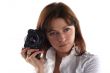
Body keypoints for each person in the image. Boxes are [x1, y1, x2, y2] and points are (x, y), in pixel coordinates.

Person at [21, 2, 98, 73]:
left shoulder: (89, 62)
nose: (62, 38)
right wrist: (39, 69)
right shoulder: (42, 63)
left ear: (76, 29)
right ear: (44, 36)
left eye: (66, 30)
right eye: (53, 33)